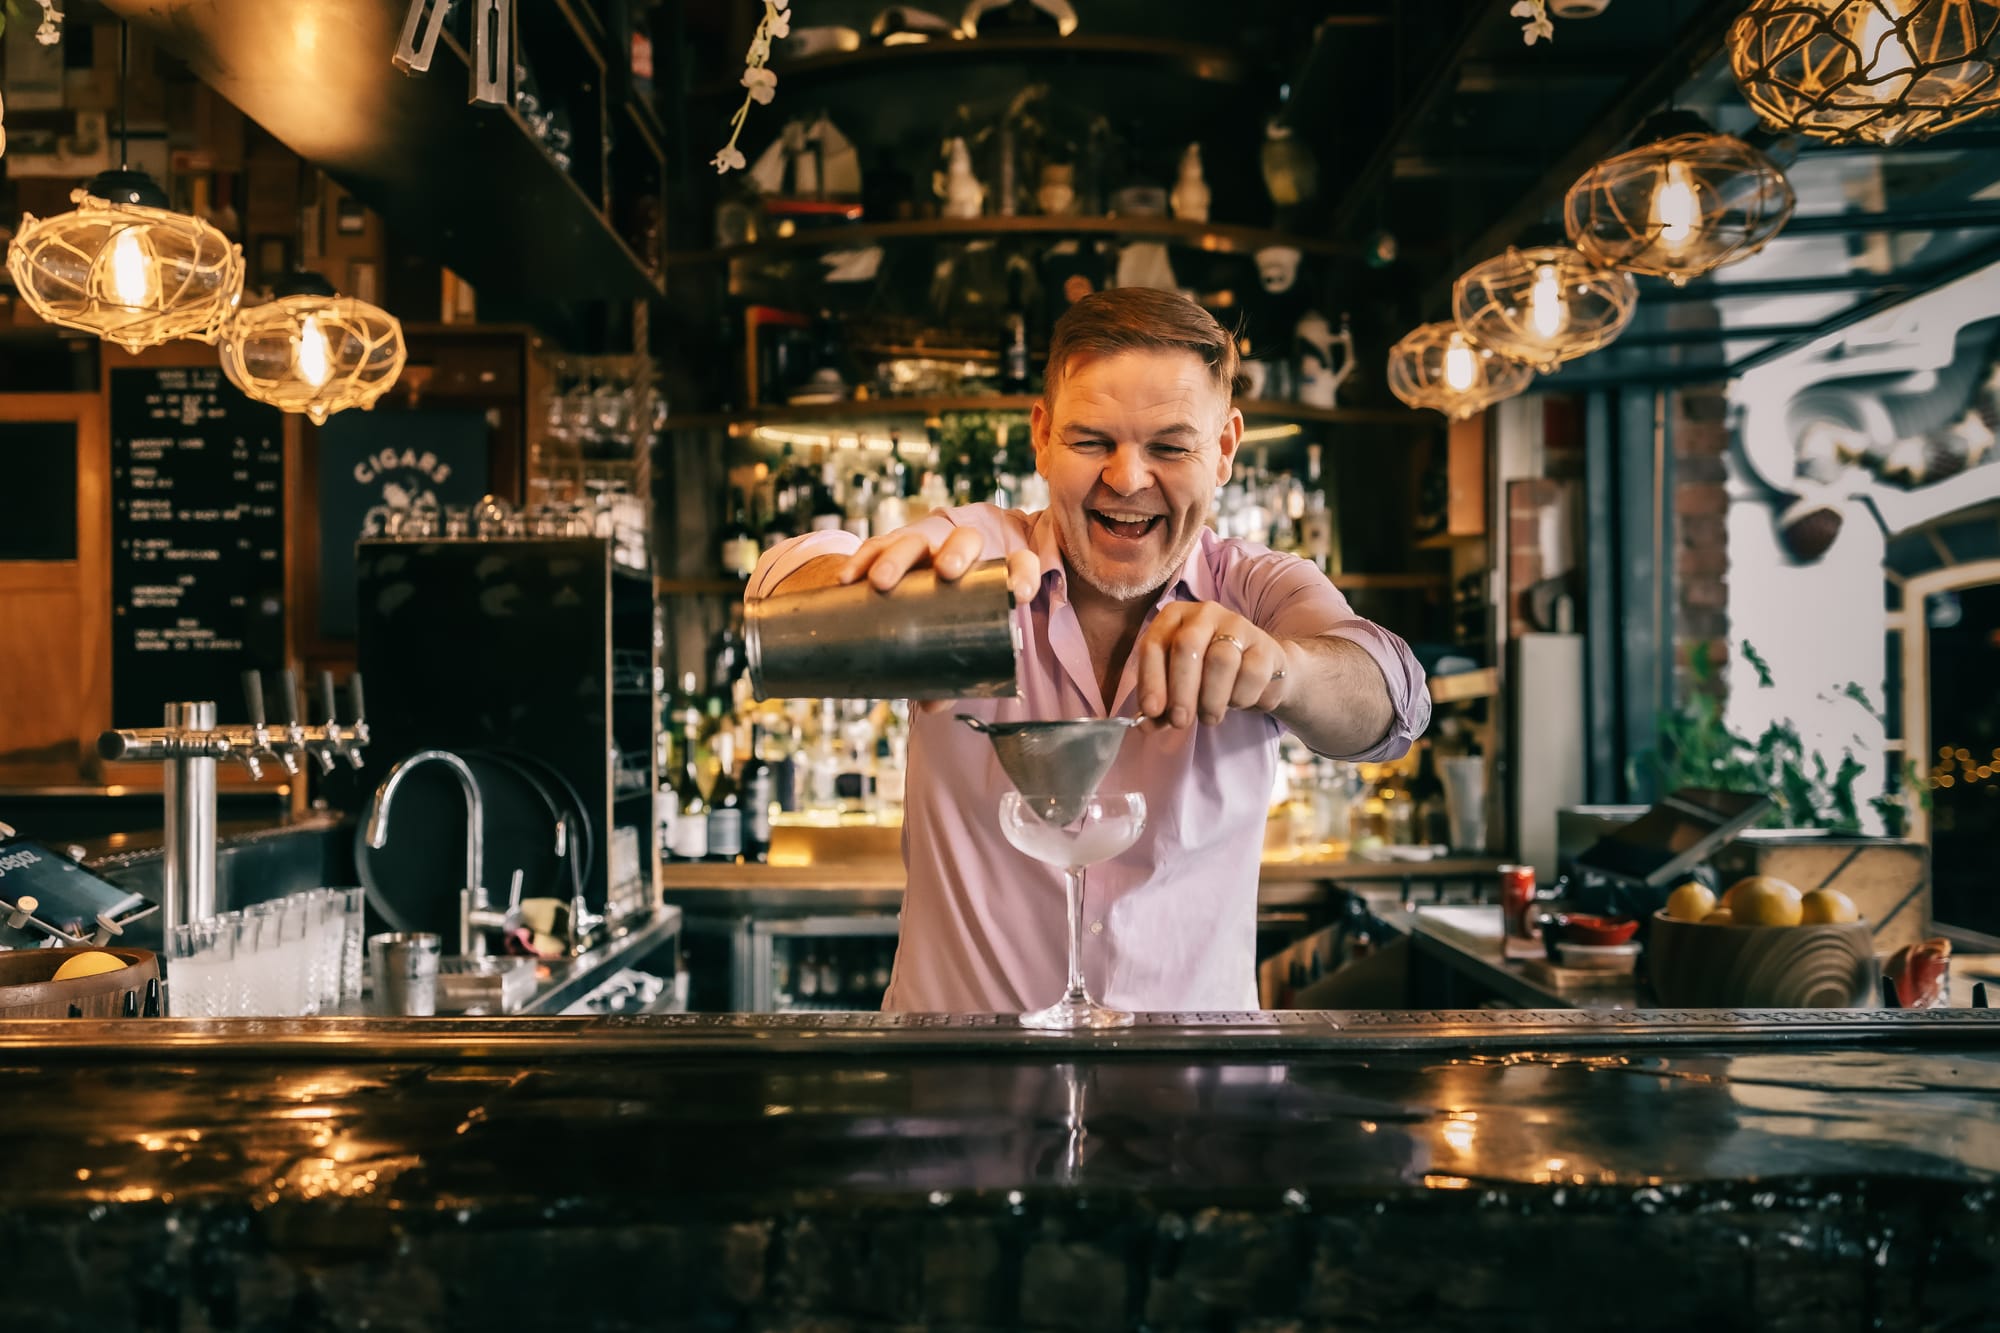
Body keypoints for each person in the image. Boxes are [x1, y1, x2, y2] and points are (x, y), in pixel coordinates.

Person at [746, 288, 1430, 1012]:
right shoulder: (972, 557)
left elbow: (1395, 700)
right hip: (957, 1093)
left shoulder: (1257, 589)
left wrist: (1282, 670)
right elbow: (782, 583)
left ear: (1225, 448)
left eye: (1169, 446)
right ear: (1041, 436)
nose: (1127, 478)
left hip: (1193, 1101)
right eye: (1091, 441)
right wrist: (878, 594)